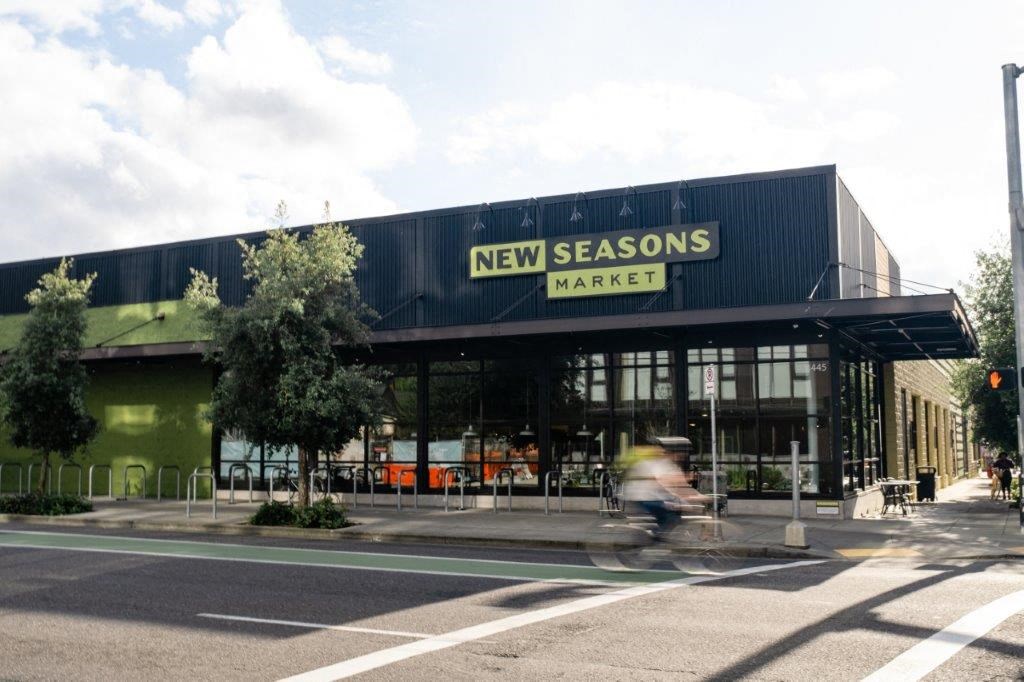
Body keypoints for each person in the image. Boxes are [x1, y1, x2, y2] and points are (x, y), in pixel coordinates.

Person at [621, 445, 710, 539]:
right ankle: (653, 539)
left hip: (653, 496)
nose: (680, 457)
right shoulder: (660, 464)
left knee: (673, 515)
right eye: (678, 455)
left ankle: (652, 536)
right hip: (644, 497)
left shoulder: (671, 465)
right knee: (672, 518)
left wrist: (697, 495)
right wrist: (686, 495)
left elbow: (681, 484)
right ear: (672, 454)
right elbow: (666, 481)